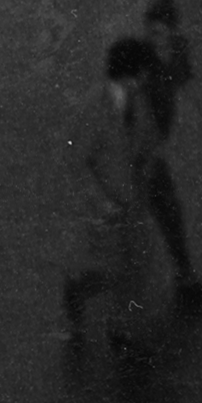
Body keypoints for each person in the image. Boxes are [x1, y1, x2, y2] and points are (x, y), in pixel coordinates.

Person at [61, 36, 168, 358]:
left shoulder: (137, 100)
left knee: (135, 265)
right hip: (106, 207)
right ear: (133, 72)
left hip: (132, 200)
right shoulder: (94, 107)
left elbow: (149, 138)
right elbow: (76, 162)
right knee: (111, 268)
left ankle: (120, 328)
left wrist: (148, 165)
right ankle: (78, 289)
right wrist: (100, 202)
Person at [128, 0, 202, 308]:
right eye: (150, 31)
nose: (153, 38)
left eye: (159, 32)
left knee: (167, 212)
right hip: (134, 150)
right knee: (152, 214)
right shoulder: (139, 62)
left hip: (150, 148)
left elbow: (186, 83)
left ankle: (183, 273)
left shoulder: (178, 51)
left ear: (173, 31)